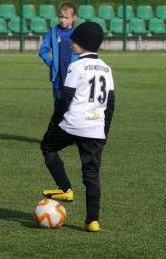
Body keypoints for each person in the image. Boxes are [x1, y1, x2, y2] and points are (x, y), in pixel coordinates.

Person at [40, 22, 115, 232]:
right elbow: (110, 105)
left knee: (47, 146)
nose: (70, 42)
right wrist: (104, 132)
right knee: (91, 173)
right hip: (96, 129)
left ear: (82, 43)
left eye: (74, 39)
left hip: (73, 124)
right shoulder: (107, 69)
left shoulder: (76, 66)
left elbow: (65, 99)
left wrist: (53, 124)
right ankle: (92, 221)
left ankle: (65, 189)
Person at [39, 1, 79, 109]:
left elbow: (85, 53)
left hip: (75, 77)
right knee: (59, 106)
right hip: (58, 77)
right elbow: (43, 50)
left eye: (66, 17)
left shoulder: (78, 33)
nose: (63, 20)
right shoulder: (53, 31)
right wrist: (51, 63)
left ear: (74, 17)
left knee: (74, 106)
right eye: (61, 17)